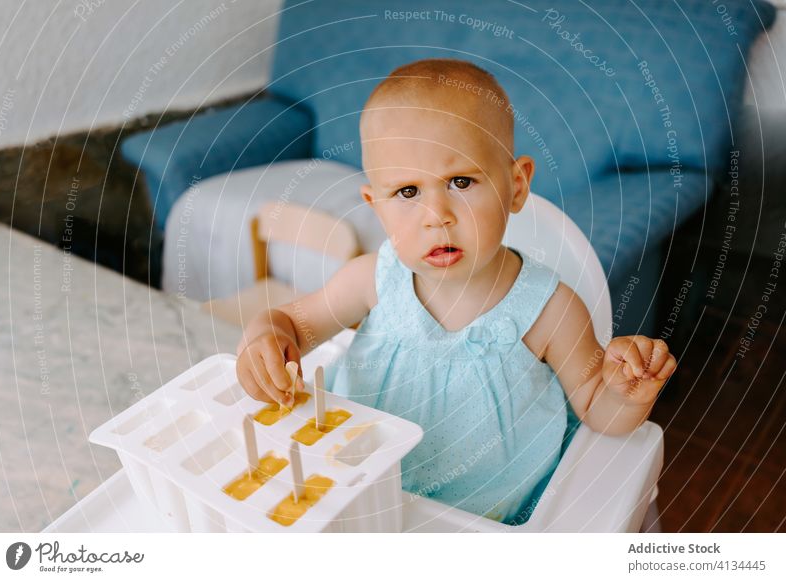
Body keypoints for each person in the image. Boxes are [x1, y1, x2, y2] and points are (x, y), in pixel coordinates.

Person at [235, 58, 676, 525]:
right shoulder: (370, 280)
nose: (436, 214)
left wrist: (626, 395)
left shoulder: (550, 310)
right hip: (360, 498)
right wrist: (265, 339)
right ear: (376, 206)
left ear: (515, 186)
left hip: (485, 520)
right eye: (407, 192)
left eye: (461, 182)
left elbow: (596, 410)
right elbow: (293, 325)